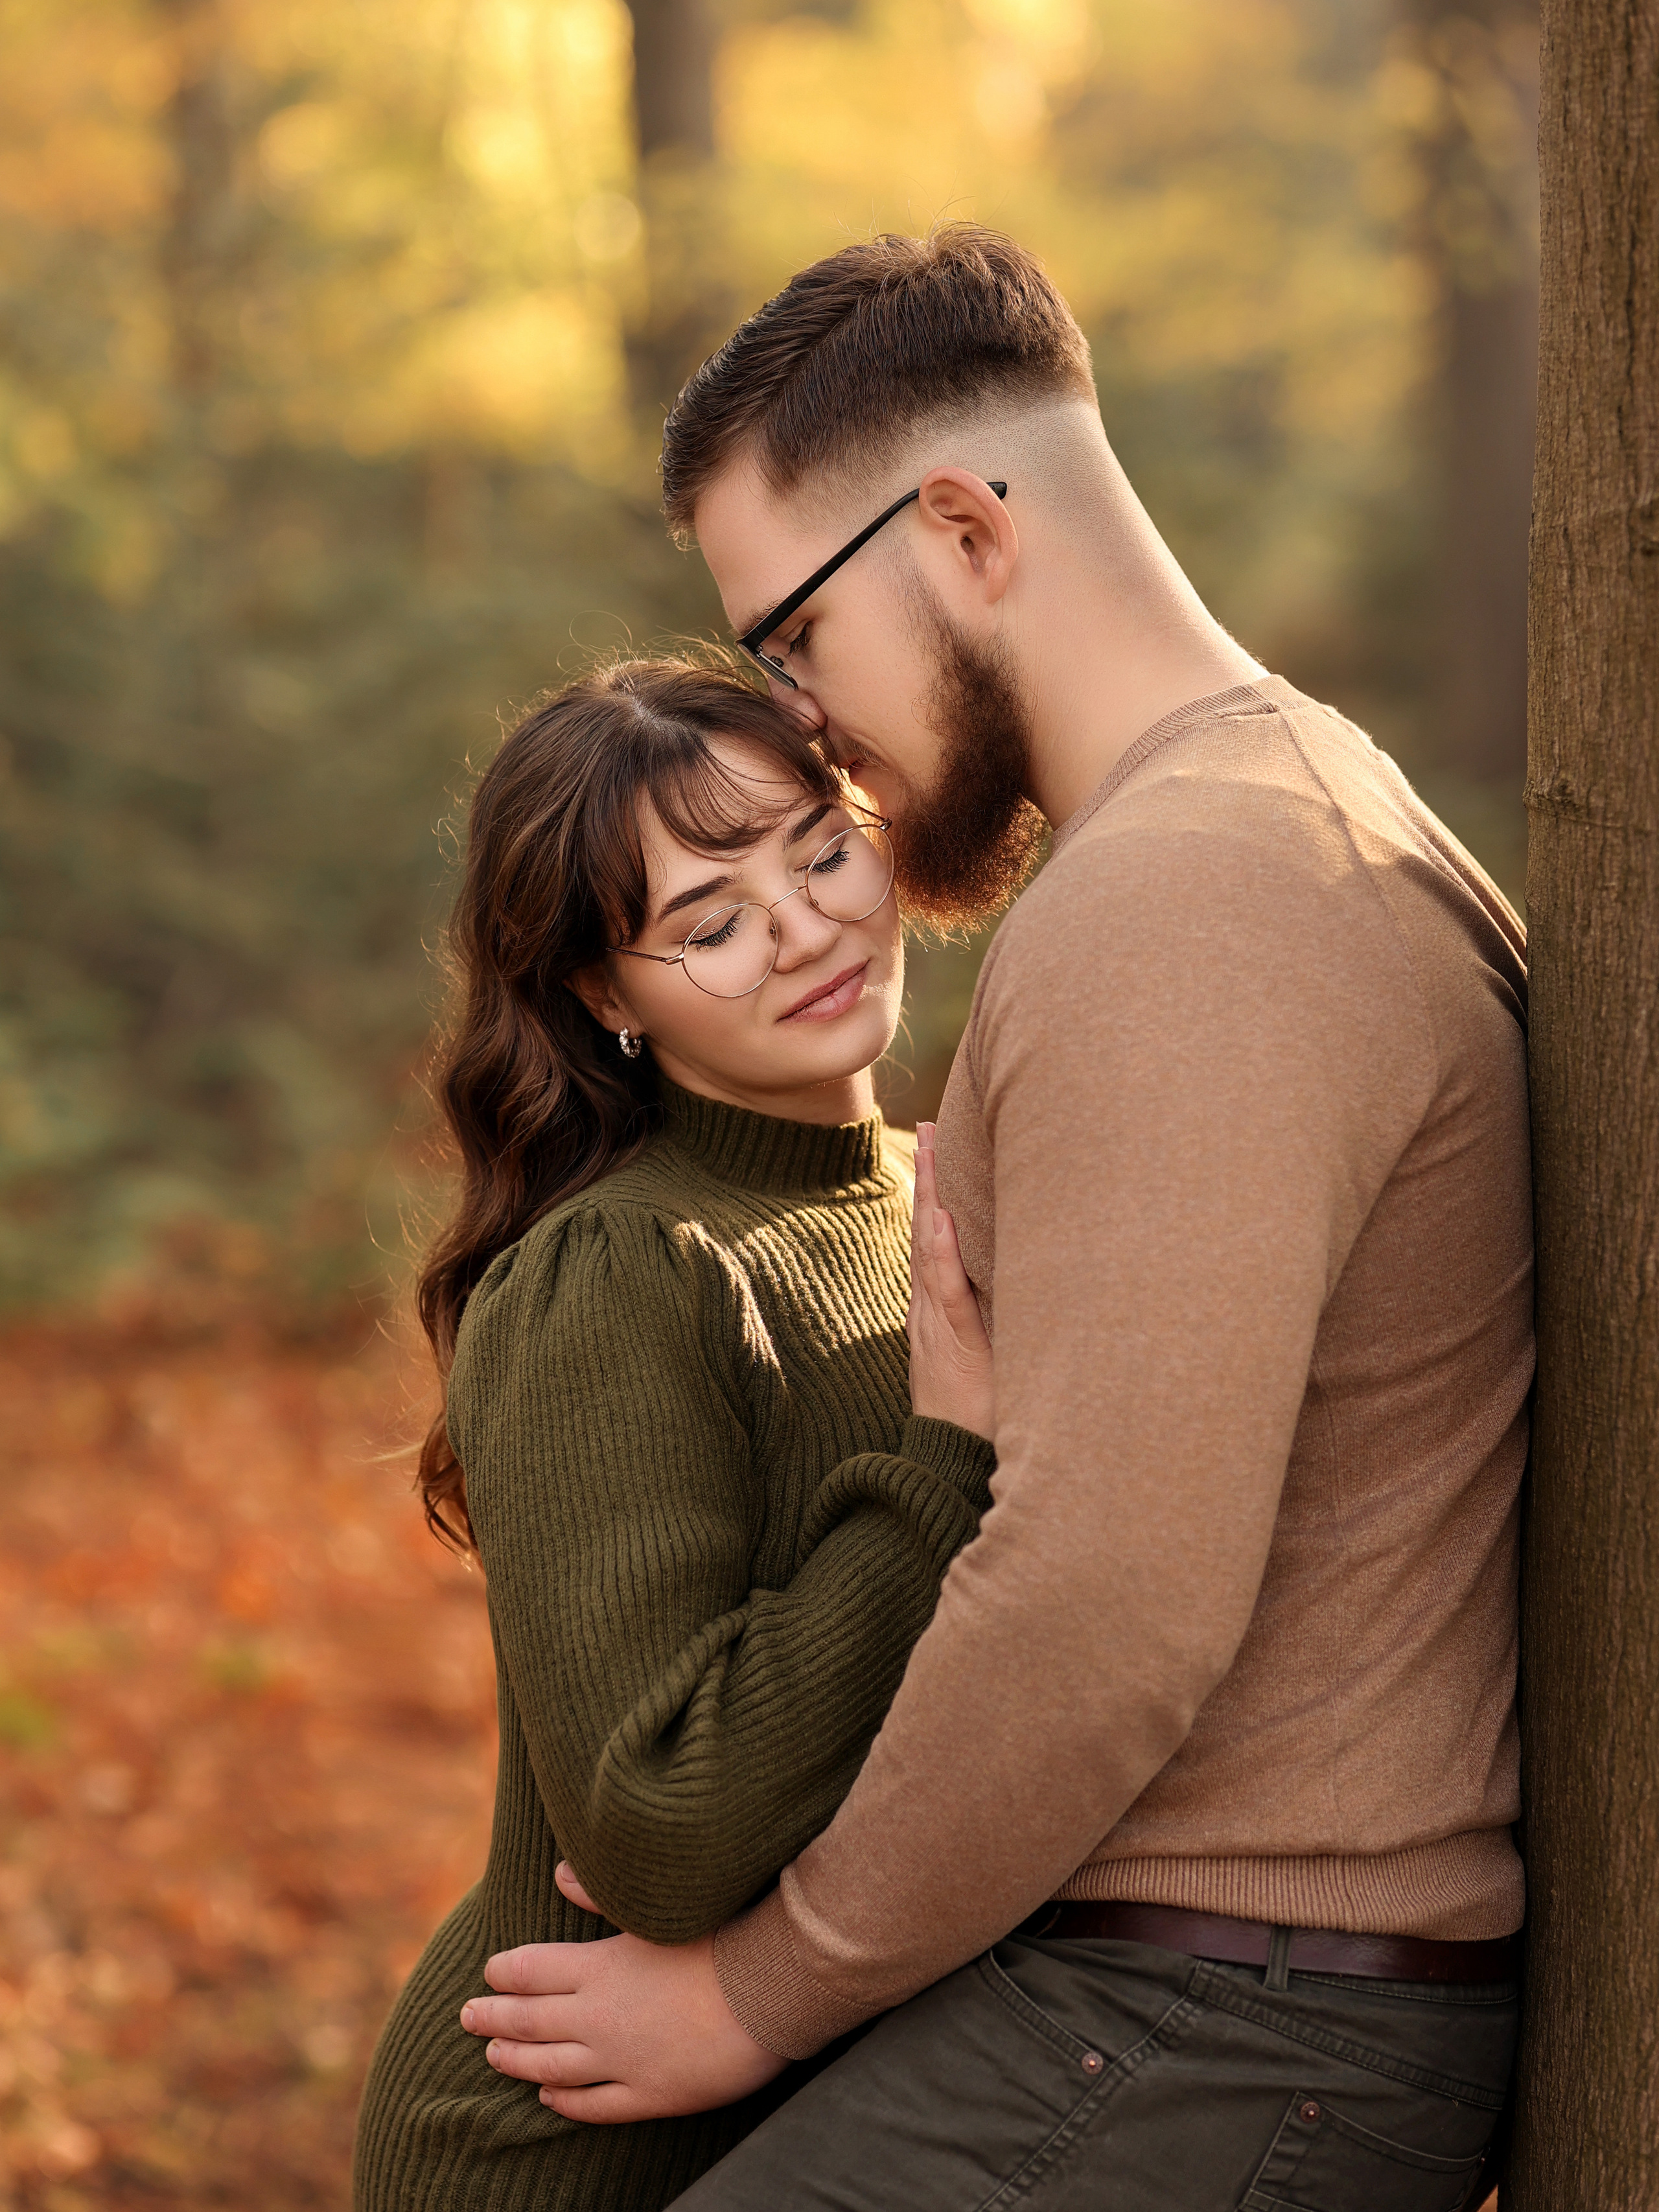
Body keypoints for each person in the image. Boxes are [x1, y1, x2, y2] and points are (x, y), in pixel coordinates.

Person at [461, 227, 1532, 2208]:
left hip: (1209, 2019)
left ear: (958, 523)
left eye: (793, 638)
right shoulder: (1300, 806)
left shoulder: (1186, 898)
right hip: (1180, 1994)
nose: (808, 717)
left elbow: (1102, 1600)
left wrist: (761, 1992)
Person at [351, 657, 1001, 2211]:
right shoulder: (624, 1270)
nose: (802, 932)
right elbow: (663, 1818)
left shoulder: (924, 1195)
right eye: (707, 925)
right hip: (571, 2148)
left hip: (831, 2110)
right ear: (601, 994)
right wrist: (937, 1472)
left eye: (819, 850)